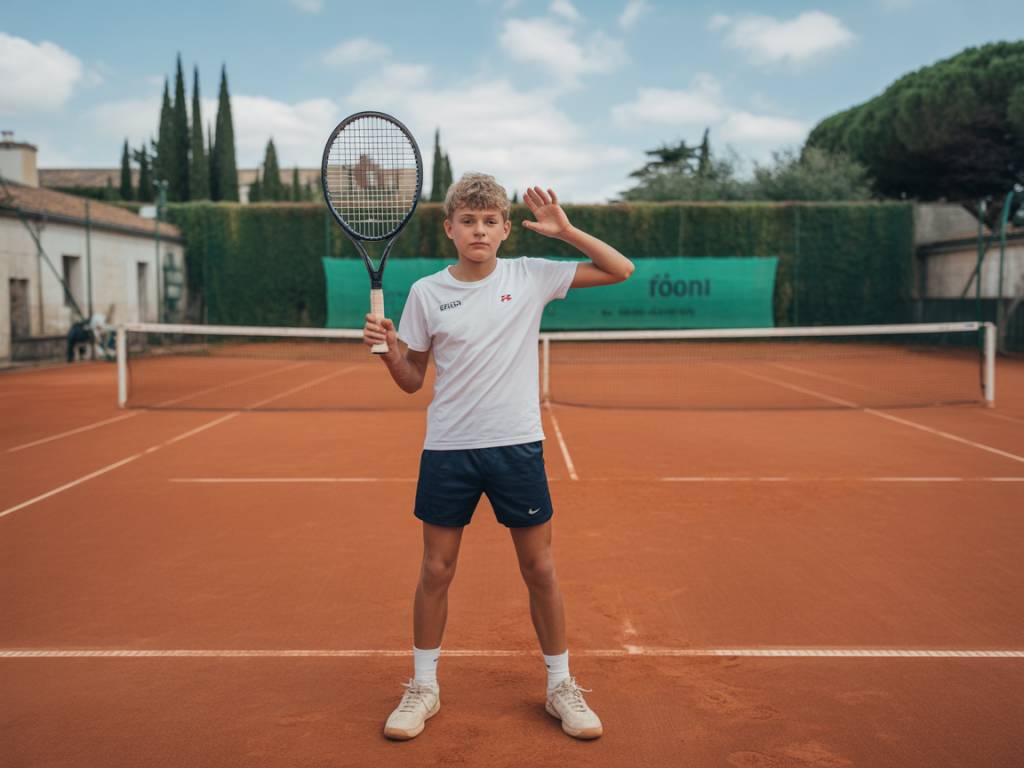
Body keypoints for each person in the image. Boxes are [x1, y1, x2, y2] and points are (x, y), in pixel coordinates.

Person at [363, 173, 634, 741]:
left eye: (490, 221)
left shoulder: (530, 275)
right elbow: (413, 380)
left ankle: (561, 685)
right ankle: (423, 687)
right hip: (448, 450)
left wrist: (565, 231)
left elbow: (620, 269)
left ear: (506, 229)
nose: (479, 230)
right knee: (436, 570)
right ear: (450, 229)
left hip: (516, 446)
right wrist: (391, 354)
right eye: (468, 221)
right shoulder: (426, 294)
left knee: (539, 568)